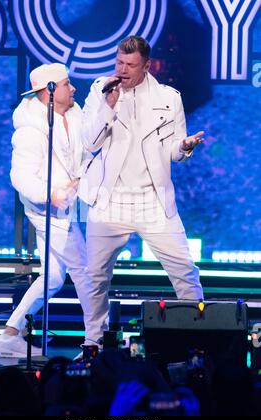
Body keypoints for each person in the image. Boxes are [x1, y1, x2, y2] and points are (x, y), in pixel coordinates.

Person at [80, 35, 205, 346]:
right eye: (119, 62)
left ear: (147, 66)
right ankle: (93, 342)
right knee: (95, 277)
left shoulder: (168, 98)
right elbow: (89, 143)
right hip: (110, 203)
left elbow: (174, 149)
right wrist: (107, 108)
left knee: (186, 274)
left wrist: (185, 147)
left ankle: (199, 340)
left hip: (153, 202)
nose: (122, 70)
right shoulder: (100, 90)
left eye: (130, 65)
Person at [0, 63, 95, 358]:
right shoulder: (30, 131)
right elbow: (21, 178)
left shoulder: (73, 116)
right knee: (84, 272)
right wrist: (51, 195)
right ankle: (94, 342)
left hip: (69, 206)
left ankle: (9, 335)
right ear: (49, 93)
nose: (73, 88)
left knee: (52, 278)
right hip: (49, 210)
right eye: (66, 84)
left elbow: (85, 153)